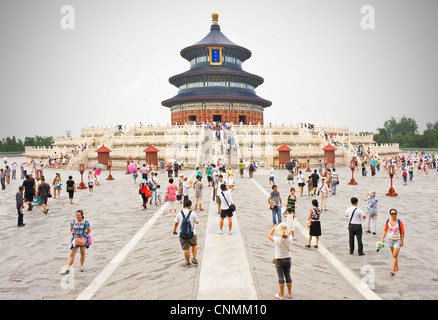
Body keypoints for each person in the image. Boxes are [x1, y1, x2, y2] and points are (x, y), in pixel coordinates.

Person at [61, 210, 91, 274]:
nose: (77, 216)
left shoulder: (85, 222)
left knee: (82, 253)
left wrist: (84, 236)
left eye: (79, 215)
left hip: (83, 239)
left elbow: (89, 230)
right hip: (75, 240)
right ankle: (67, 268)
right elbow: (71, 230)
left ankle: (82, 266)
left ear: (82, 215)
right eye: (76, 215)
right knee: (72, 254)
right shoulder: (73, 222)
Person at [268, 223, 293, 300]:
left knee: (280, 277)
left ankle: (281, 295)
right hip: (288, 258)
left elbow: (269, 235)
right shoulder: (290, 238)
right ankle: (289, 293)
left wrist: (273, 228)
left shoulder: (278, 240)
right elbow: (290, 234)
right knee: (288, 276)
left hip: (279, 259)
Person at [173, 200, 199, 267]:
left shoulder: (179, 213)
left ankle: (187, 261)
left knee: (186, 248)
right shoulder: (192, 213)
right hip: (192, 233)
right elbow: (197, 222)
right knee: (194, 245)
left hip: (182, 234)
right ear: (190, 205)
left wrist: (174, 230)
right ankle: (194, 258)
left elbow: (176, 223)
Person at [381, 209, 405, 275]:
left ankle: (393, 270)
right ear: (390, 214)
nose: (393, 215)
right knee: (394, 254)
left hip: (397, 240)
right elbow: (385, 230)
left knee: (394, 255)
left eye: (395, 214)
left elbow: (402, 232)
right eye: (392, 214)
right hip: (390, 240)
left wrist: (402, 241)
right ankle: (396, 266)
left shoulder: (399, 222)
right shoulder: (388, 221)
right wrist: (382, 238)